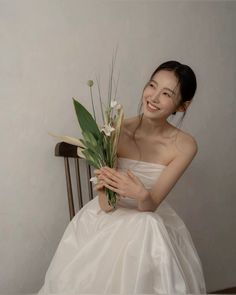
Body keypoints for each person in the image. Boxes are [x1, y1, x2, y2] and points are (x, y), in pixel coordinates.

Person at [38, 60, 207, 294]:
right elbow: (106, 205)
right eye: (152, 85)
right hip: (108, 217)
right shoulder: (115, 129)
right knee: (147, 226)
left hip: (149, 216)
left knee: (148, 223)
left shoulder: (185, 145)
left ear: (182, 106)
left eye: (166, 93)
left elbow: (151, 204)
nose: (153, 97)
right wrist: (112, 187)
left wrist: (139, 193)